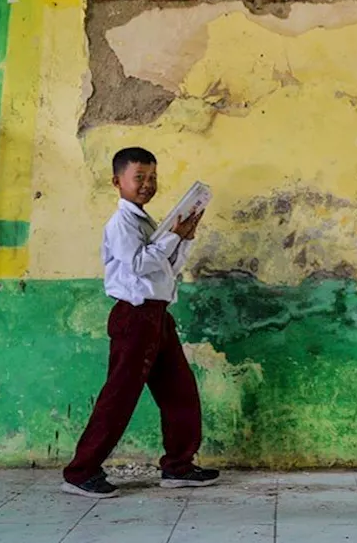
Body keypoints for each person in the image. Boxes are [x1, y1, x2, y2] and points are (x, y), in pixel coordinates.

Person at [61, 147, 219, 498]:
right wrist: (172, 237)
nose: (147, 184)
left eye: (152, 178)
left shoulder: (147, 222)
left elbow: (166, 268)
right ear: (117, 182)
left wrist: (184, 238)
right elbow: (137, 264)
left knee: (180, 392)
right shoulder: (121, 223)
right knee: (119, 396)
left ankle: (178, 466)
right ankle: (80, 471)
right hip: (134, 317)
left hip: (157, 317)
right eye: (139, 178)